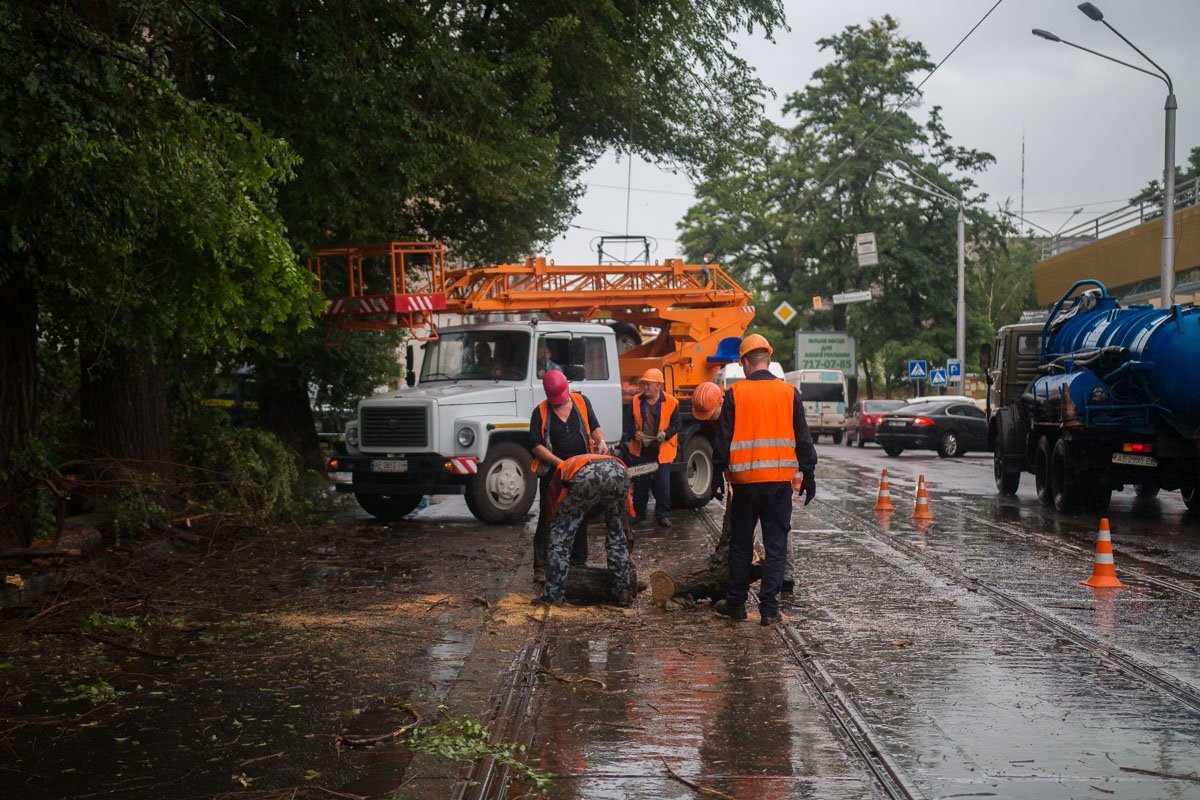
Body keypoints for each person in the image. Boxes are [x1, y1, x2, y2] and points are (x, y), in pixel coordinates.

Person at [712, 334, 816, 626]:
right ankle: (769, 610)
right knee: (776, 545)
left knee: (741, 545)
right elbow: (803, 438)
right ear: (768, 360)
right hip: (778, 484)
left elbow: (723, 440)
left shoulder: (735, 393)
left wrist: (717, 475)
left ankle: (736, 604)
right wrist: (809, 474)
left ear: (745, 362)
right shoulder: (789, 393)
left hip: (744, 484)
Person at [692, 381, 796, 592]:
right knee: (743, 533)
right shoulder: (710, 421)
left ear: (720, 402)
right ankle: (739, 582)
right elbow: (720, 448)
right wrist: (718, 477)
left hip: (767, 475)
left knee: (777, 532)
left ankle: (785, 575)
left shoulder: (739, 409)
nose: (710, 419)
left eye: (711, 414)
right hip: (741, 478)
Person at [529, 370, 609, 581]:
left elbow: (595, 426)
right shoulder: (540, 412)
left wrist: (601, 441)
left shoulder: (582, 402)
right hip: (553, 474)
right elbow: (536, 445)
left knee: (581, 514)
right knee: (548, 517)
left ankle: (578, 562)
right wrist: (560, 463)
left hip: (581, 471)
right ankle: (541, 566)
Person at [534, 453, 634, 607]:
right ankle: (623, 592)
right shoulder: (581, 462)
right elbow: (623, 516)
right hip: (620, 473)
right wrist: (626, 534)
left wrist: (551, 531)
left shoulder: (559, 476)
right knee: (616, 535)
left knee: (561, 539)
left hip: (585, 477)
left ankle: (554, 595)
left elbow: (552, 511)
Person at [623, 368, 680, 527]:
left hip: (662, 450)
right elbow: (627, 423)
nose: (645, 387)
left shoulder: (672, 402)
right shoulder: (635, 401)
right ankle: (639, 513)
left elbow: (677, 425)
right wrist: (634, 433)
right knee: (641, 483)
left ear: (658, 386)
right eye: (644, 384)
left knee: (662, 484)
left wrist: (666, 433)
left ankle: (662, 515)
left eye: (648, 384)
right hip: (642, 449)